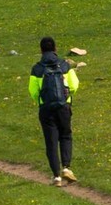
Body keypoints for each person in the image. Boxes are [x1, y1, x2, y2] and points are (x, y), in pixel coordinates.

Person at [28, 37, 80, 185]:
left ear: (41, 50)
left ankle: (56, 176)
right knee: (65, 136)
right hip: (64, 106)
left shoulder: (37, 69)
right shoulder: (64, 65)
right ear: (55, 48)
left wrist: (41, 100)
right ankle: (66, 167)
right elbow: (74, 85)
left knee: (51, 141)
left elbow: (33, 91)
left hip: (46, 109)